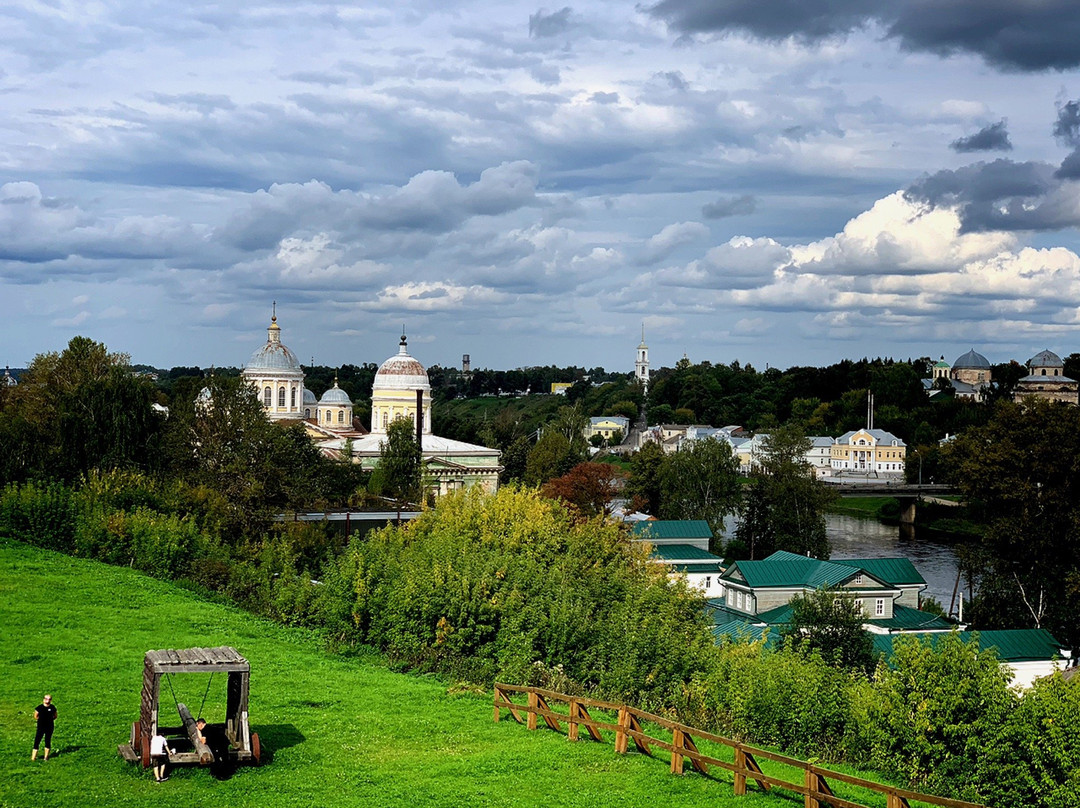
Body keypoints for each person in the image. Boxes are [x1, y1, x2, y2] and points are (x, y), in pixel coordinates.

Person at [31, 694, 57, 761]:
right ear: (43, 699)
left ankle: (46, 757)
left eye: (49, 699)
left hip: (50, 727)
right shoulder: (39, 708)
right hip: (41, 727)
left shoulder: (52, 708)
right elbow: (36, 716)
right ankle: (33, 758)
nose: (47, 700)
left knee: (47, 741)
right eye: (46, 699)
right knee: (37, 741)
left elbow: (55, 716)